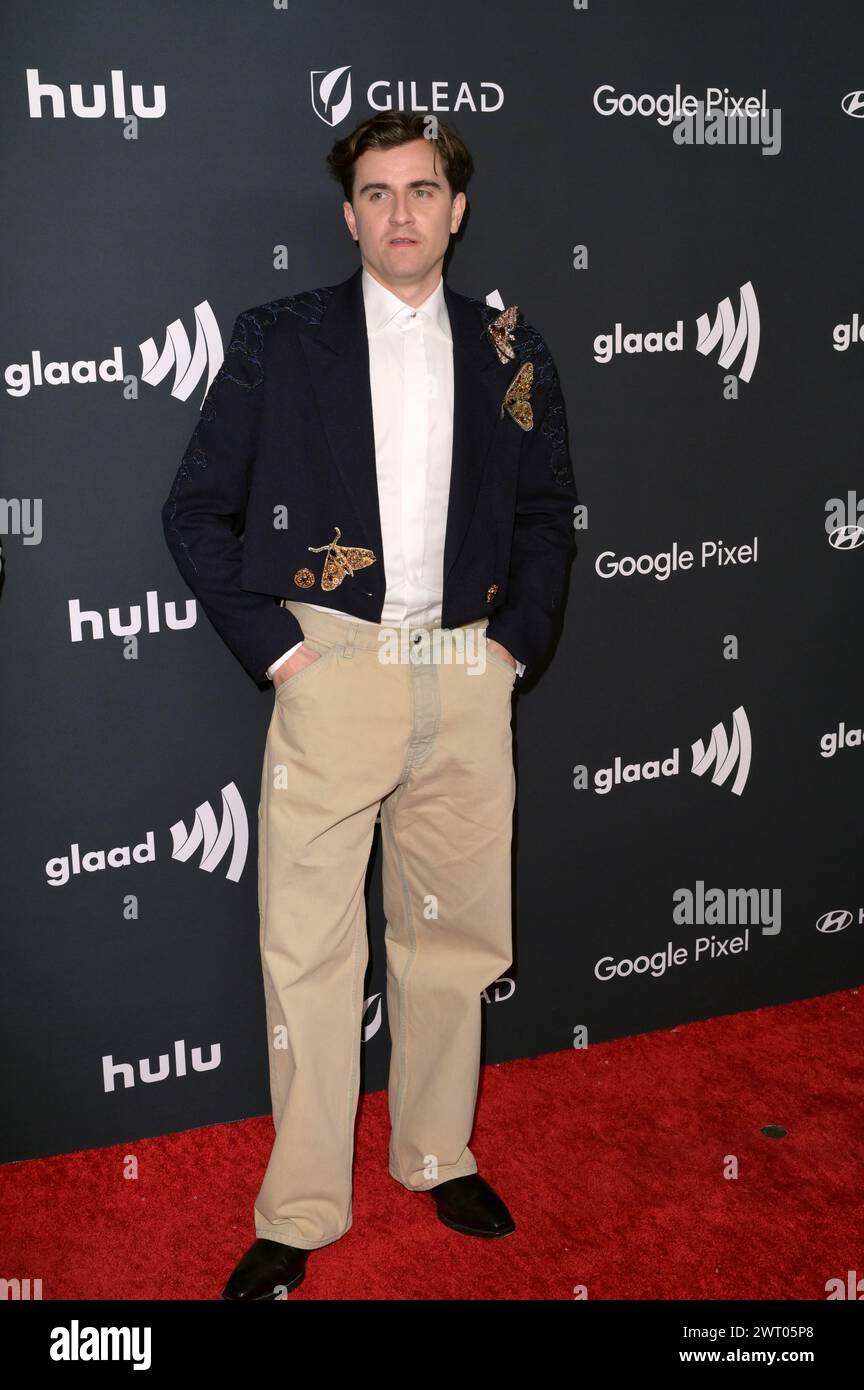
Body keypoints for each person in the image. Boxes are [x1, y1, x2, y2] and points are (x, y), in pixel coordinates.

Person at [161, 109, 578, 1300]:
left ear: (457, 209)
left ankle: (439, 1150)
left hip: (467, 672)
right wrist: (283, 658)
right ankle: (298, 1208)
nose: (402, 211)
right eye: (379, 192)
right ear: (350, 216)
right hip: (332, 670)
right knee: (310, 955)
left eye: (424, 189)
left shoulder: (513, 350)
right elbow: (195, 513)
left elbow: (548, 517)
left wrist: (509, 652)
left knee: (450, 939)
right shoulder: (280, 341)